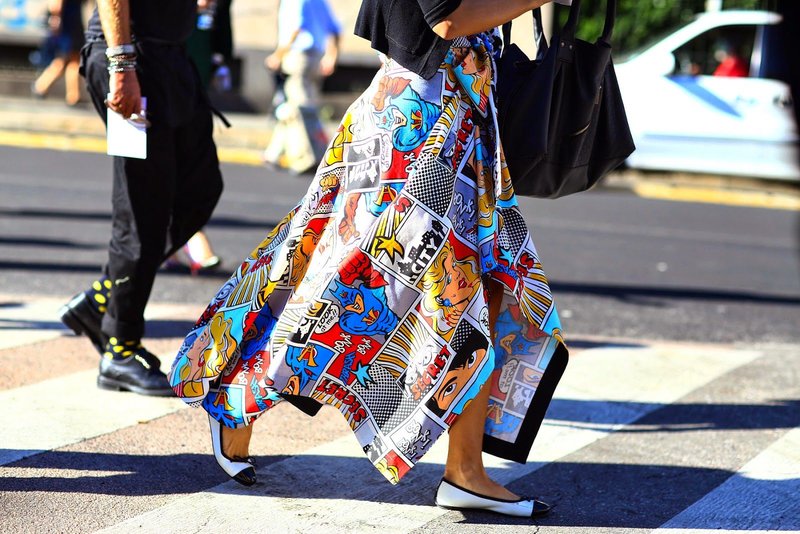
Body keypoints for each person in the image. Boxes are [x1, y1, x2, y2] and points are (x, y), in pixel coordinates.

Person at [169, 0, 569, 519]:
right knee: (337, 286)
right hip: (418, 125)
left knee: (485, 288)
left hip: (464, 122)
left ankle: (466, 472)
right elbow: (445, 18)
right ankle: (235, 399)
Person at [59, 0, 224, 396]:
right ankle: (120, 351)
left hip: (170, 58)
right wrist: (122, 66)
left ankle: (104, 297)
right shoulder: (124, 64)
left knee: (202, 188)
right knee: (141, 213)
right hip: (129, 61)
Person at [262, 0, 341, 174]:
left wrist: (278, 55)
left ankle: (306, 158)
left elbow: (295, 28)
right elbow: (335, 28)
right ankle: (273, 153)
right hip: (316, 56)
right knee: (292, 105)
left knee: (300, 107)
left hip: (297, 56)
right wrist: (332, 56)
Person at [32, 0, 85, 106]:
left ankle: (73, 95)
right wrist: (56, 17)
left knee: (74, 59)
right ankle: (42, 85)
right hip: (67, 23)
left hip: (73, 21)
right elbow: (56, 4)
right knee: (65, 57)